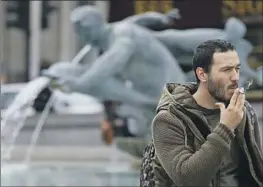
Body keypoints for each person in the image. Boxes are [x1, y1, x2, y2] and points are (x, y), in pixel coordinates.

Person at [151, 39, 263, 186]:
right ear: (202, 74)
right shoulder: (168, 119)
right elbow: (188, 178)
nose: (235, 77)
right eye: (227, 70)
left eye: (237, 69)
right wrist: (226, 128)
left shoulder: (242, 111)